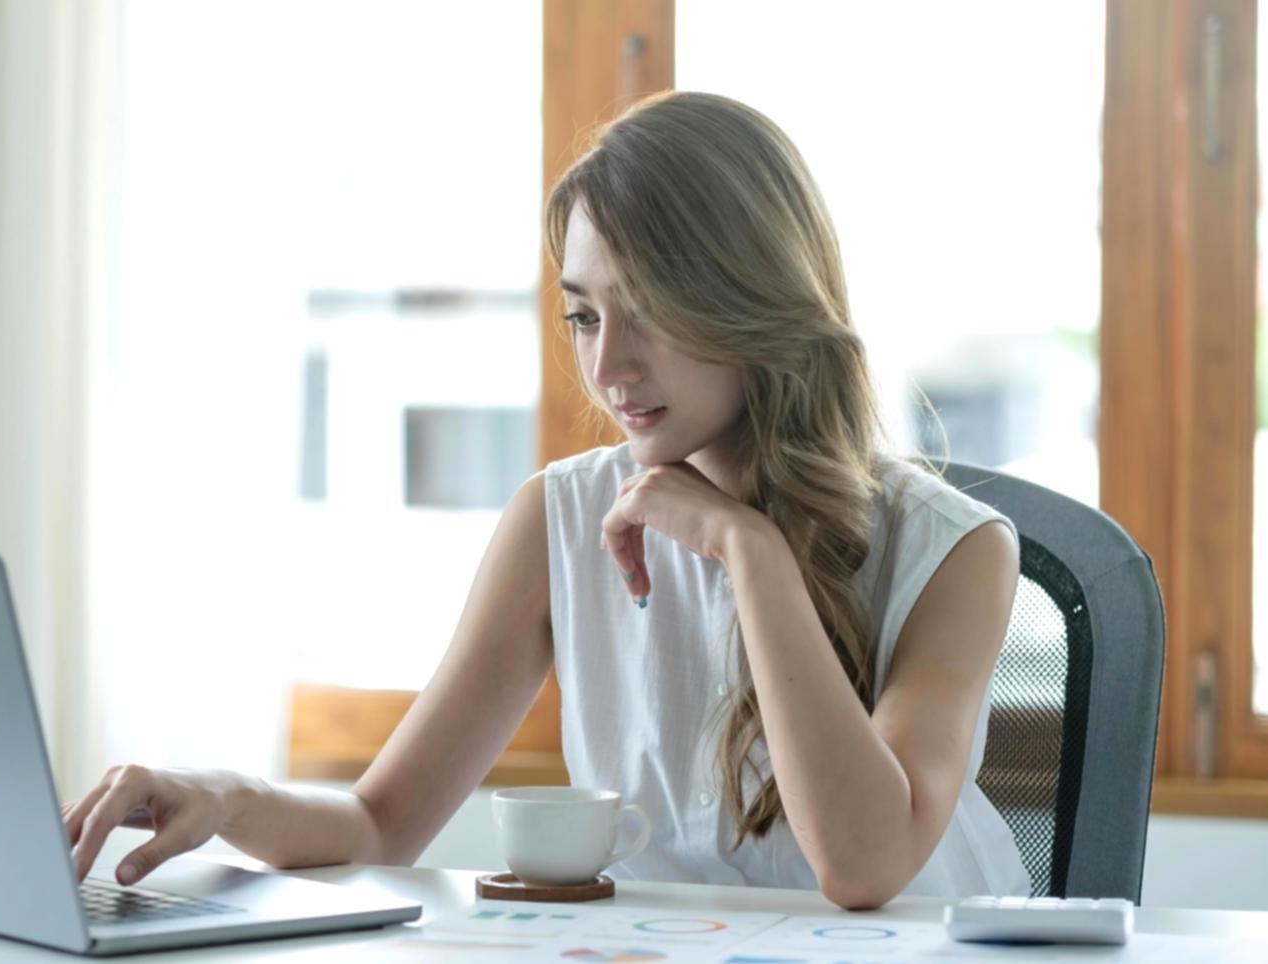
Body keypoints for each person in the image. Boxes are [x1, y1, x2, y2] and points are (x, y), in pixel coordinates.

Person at [62, 91, 1030, 910]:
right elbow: (381, 822)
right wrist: (223, 797)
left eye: (644, 311)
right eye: (582, 314)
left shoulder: (953, 551)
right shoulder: (561, 518)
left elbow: (862, 866)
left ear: (752, 298)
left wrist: (751, 553)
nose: (606, 365)